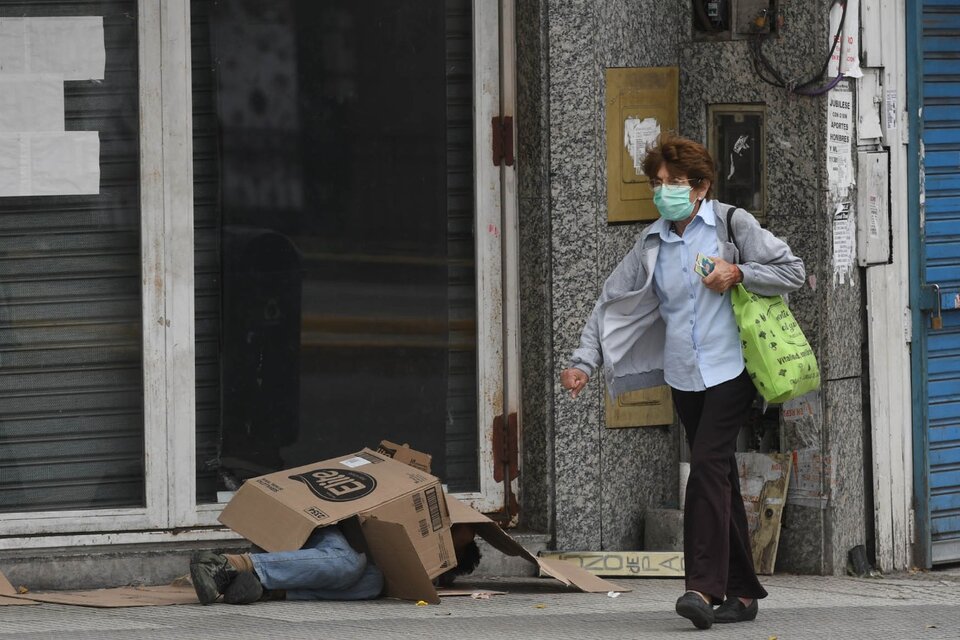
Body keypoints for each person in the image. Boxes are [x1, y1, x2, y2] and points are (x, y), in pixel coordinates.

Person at [559, 133, 804, 630]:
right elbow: (611, 302)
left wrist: (738, 272)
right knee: (722, 477)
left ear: (701, 186)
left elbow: (793, 270)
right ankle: (741, 594)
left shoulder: (734, 224)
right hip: (685, 376)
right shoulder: (652, 242)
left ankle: (701, 587)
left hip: (733, 368)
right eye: (657, 183)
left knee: (707, 467)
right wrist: (584, 362)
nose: (663, 191)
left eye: (673, 182)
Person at [190, 522, 481, 605]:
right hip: (325, 529)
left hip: (339, 553)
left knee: (373, 583)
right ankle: (224, 564)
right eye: (451, 532)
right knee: (348, 564)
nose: (441, 539)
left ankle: (265, 588)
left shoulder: (433, 566)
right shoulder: (423, 511)